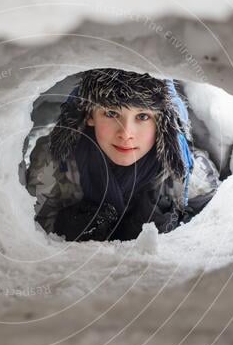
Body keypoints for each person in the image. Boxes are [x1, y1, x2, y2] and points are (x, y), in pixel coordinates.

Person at [25, 68, 220, 242]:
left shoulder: (191, 177)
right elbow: (30, 227)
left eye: (143, 116)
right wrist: (64, 227)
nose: (126, 134)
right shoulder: (53, 164)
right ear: (90, 116)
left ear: (161, 123)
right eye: (111, 114)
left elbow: (211, 232)